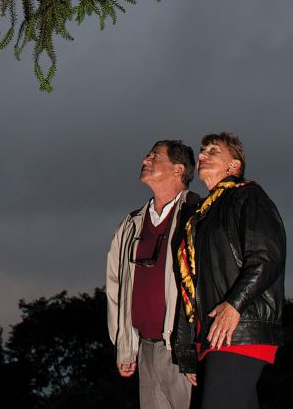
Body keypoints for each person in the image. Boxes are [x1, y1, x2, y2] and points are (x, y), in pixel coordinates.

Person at [175, 132, 286, 409]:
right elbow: (193, 285)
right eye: (202, 151)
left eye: (213, 150)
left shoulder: (248, 195)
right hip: (213, 336)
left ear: (234, 165)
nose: (202, 155)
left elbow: (267, 257)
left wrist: (234, 305)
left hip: (239, 329)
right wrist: (190, 349)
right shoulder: (201, 215)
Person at [107, 139, 201, 409]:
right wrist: (125, 345)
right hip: (146, 349)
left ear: (178, 169)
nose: (145, 161)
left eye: (154, 157)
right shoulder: (131, 224)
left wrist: (195, 349)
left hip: (182, 351)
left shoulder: (198, 216)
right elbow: (115, 285)